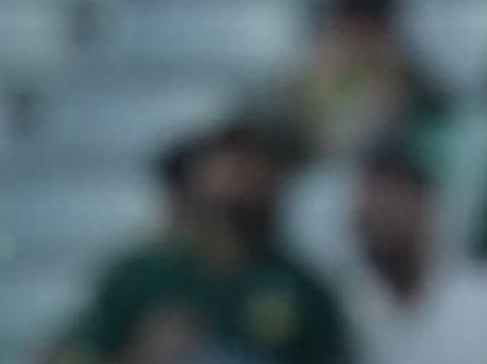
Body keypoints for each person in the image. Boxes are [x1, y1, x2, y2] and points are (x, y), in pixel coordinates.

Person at [63, 116, 349, 364]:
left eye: (258, 165)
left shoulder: (303, 290)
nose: (243, 178)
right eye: (231, 163)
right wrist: (142, 355)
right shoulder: (140, 277)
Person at [345, 128, 487, 364]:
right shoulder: (358, 320)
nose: (379, 218)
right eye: (368, 215)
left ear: (424, 203)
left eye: (389, 205)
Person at [283, 0, 449, 157]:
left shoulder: (417, 90)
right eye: (348, 29)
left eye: (367, 31)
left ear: (387, 32)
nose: (357, 43)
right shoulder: (297, 86)